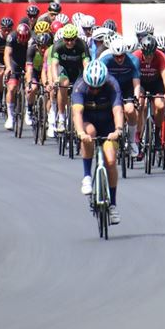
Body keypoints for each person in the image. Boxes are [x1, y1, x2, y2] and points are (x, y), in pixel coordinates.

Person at [72, 60, 124, 225]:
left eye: (98, 88)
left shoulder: (112, 84)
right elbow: (77, 113)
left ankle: (113, 205)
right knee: (90, 133)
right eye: (92, 87)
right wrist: (80, 133)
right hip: (89, 122)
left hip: (108, 125)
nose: (94, 90)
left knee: (111, 161)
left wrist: (118, 130)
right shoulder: (80, 86)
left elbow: (118, 110)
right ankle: (87, 176)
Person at [99, 36, 141, 154]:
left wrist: (136, 98)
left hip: (127, 87)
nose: (119, 59)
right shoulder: (105, 61)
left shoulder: (133, 60)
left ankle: (132, 141)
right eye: (116, 56)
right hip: (111, 88)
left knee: (130, 110)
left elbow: (136, 83)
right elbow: (100, 82)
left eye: (122, 56)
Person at [133, 34, 165, 159]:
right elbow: (133, 77)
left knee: (160, 106)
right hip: (141, 83)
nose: (149, 57)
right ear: (142, 51)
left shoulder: (160, 56)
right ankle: (137, 137)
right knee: (140, 105)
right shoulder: (136, 56)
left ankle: (157, 135)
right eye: (146, 54)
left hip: (156, 83)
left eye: (151, 54)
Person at [49, 23, 91, 132]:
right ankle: (61, 117)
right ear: (63, 38)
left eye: (72, 39)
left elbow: (86, 64)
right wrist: (55, 79)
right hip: (65, 70)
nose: (69, 42)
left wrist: (87, 78)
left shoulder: (82, 45)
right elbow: (54, 64)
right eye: (67, 39)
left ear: (76, 38)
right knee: (63, 84)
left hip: (78, 71)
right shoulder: (58, 45)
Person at [3, 22, 31, 130]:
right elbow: (7, 54)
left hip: (27, 61)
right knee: (12, 87)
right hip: (14, 62)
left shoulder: (32, 39)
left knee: (30, 86)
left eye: (25, 40)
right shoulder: (12, 37)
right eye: (21, 39)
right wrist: (8, 67)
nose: (23, 42)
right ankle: (10, 117)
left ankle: (28, 110)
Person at [25, 32, 53, 127]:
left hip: (47, 72)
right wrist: (29, 83)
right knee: (33, 87)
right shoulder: (31, 50)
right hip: (35, 72)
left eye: (46, 47)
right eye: (41, 47)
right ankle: (29, 110)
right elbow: (29, 69)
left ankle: (48, 115)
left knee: (50, 91)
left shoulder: (51, 52)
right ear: (37, 46)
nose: (43, 49)